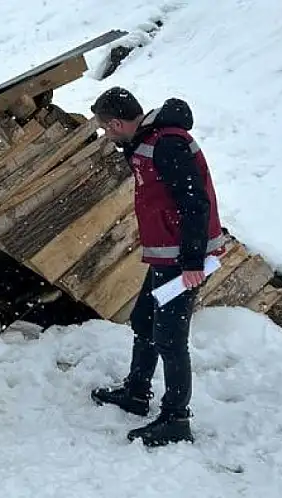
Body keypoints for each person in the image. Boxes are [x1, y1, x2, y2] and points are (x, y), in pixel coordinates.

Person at [89, 87, 227, 446]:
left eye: (105, 128)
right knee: (144, 321)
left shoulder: (167, 144)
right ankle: (136, 393)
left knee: (170, 337)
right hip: (168, 255)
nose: (106, 135)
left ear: (117, 123)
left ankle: (176, 419)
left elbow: (195, 203)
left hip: (184, 259)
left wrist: (193, 261)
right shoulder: (145, 141)